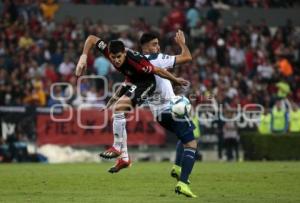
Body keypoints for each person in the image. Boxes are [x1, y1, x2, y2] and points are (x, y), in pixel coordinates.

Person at [103, 30, 197, 197]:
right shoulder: (158, 59)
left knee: (187, 135)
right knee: (191, 144)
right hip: (170, 108)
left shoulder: (136, 64)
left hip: (159, 114)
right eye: (154, 44)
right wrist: (182, 42)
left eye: (158, 43)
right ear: (145, 48)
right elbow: (187, 57)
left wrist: (114, 98)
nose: (158, 47)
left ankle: (176, 167)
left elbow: (128, 82)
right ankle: (182, 183)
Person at [75, 34, 189, 171]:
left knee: (119, 108)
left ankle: (117, 148)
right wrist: (83, 57)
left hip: (147, 83)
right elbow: (92, 39)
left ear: (124, 53)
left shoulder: (138, 61)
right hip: (134, 80)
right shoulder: (108, 50)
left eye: (119, 57)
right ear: (108, 54)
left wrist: (176, 80)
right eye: (113, 57)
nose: (116, 61)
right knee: (117, 112)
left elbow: (158, 71)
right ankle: (124, 158)